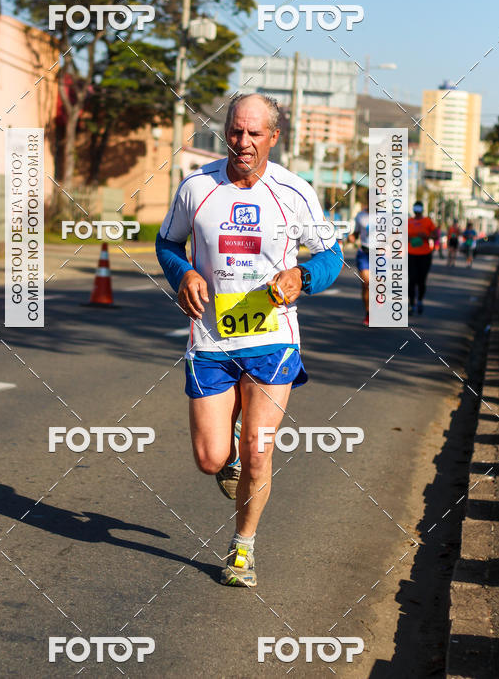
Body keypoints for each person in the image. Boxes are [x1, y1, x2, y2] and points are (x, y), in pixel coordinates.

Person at [155, 93, 343, 587]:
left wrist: (303, 276)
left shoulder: (294, 192)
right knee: (210, 459)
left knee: (260, 452)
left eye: (254, 133)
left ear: (273, 137)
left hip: (273, 340)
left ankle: (243, 547)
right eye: (235, 131)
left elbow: (331, 255)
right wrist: (183, 273)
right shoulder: (197, 187)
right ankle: (230, 457)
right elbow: (167, 242)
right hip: (211, 340)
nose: (243, 142)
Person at [408, 201, 439, 315]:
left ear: (422, 209)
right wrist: (408, 238)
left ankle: (420, 300)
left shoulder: (427, 221)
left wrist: (427, 236)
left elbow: (436, 235)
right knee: (412, 280)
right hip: (411, 254)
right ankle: (412, 304)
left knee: (421, 280)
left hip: (425, 255)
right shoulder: (409, 221)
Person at [348, 204, 370, 325]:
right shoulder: (360, 216)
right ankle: (368, 313)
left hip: (381, 255)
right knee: (366, 284)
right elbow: (356, 233)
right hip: (364, 253)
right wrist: (352, 237)